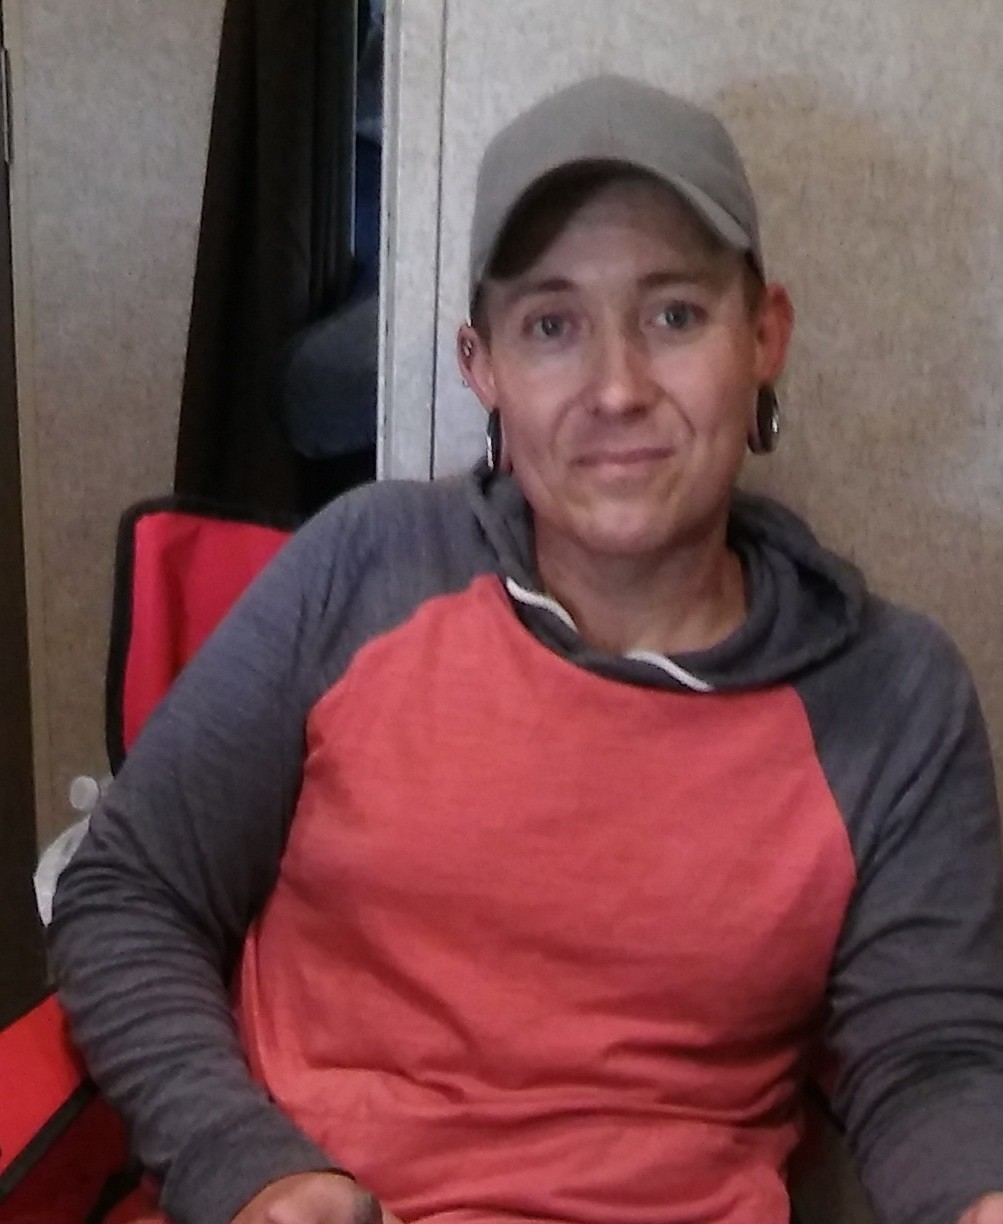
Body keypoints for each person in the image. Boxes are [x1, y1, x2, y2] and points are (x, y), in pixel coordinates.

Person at [50, 75, 1003, 1224]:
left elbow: (932, 1057)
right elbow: (130, 891)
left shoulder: (892, 695)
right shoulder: (365, 567)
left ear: (764, 336)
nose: (617, 388)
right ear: (482, 365)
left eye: (674, 316)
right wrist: (247, 1167)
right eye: (552, 326)